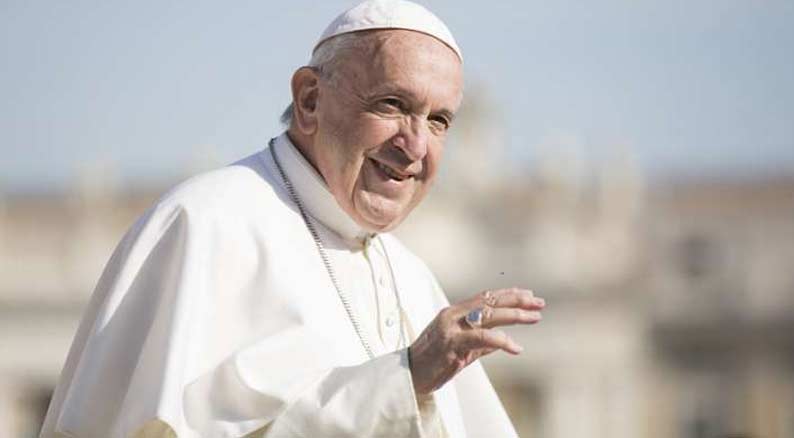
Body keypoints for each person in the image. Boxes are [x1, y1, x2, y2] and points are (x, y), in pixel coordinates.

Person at [40, 1, 545, 437]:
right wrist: (405, 379)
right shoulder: (203, 224)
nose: (415, 146)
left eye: (438, 121)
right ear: (309, 100)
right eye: (392, 105)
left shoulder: (411, 277)